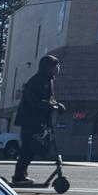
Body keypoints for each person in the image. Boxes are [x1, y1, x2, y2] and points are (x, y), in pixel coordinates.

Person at [12, 54, 65, 185]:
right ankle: (19, 176)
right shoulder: (37, 80)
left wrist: (57, 105)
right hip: (29, 120)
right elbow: (32, 100)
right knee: (28, 148)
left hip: (37, 121)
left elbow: (50, 99)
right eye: (55, 66)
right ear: (47, 67)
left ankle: (21, 175)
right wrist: (48, 105)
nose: (58, 68)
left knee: (31, 149)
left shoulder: (48, 80)